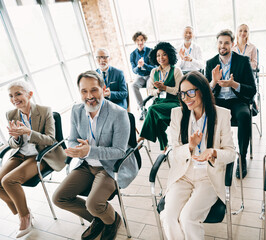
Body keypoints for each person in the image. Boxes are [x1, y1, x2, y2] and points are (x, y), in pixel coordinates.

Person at [52, 70, 138, 240]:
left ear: (103, 89)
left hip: (110, 167)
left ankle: (112, 220)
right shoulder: (77, 110)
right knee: (59, 198)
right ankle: (100, 218)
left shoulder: (119, 114)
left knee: (93, 204)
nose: (89, 96)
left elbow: (120, 152)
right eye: (84, 91)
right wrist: (76, 150)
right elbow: (71, 140)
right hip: (86, 164)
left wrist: (90, 150)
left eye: (94, 90)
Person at [161, 71, 235, 240]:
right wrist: (191, 146)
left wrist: (214, 152)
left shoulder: (222, 114)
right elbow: (174, 153)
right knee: (168, 217)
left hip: (208, 178)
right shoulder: (177, 114)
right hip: (183, 175)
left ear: (202, 90)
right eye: (182, 93)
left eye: (191, 92)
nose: (186, 98)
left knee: (187, 219)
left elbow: (231, 153)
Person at [0, 81, 66, 238]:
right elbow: (11, 142)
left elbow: (51, 139)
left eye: (18, 94)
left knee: (8, 181)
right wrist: (15, 138)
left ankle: (24, 218)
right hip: (20, 155)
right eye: (11, 96)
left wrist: (29, 132)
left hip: (40, 156)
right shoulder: (11, 114)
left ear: (29, 94)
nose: (14, 99)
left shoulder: (45, 111)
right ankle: (23, 210)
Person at [205, 29, 256, 178]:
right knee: (209, 116)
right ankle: (216, 155)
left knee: (245, 116)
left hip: (237, 100)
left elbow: (252, 90)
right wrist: (214, 82)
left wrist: (234, 84)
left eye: (226, 43)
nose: (223, 45)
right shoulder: (210, 63)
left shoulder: (243, 61)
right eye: (220, 42)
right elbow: (204, 91)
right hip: (218, 101)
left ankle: (242, 159)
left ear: (232, 44)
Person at [138, 42, 183, 151]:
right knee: (157, 122)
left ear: (169, 55)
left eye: (164, 54)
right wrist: (158, 90)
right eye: (158, 55)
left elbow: (180, 91)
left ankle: (142, 135)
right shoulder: (154, 71)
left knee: (152, 109)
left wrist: (165, 88)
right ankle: (164, 148)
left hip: (174, 103)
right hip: (159, 103)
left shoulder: (176, 71)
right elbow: (149, 91)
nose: (160, 58)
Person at [130, 32, 155, 120]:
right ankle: (142, 108)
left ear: (144, 40)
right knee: (133, 85)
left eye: (142, 40)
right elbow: (134, 70)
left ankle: (153, 106)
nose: (140, 42)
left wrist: (144, 65)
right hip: (140, 76)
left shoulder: (151, 51)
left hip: (149, 75)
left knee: (150, 86)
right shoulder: (133, 54)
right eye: (138, 40)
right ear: (135, 41)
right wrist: (139, 66)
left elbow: (154, 68)